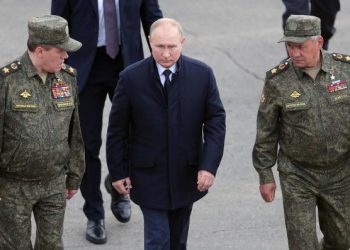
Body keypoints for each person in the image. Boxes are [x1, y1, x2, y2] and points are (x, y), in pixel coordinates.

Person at [106, 18, 226, 250]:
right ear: (150, 42)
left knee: (178, 241)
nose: (166, 54)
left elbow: (215, 122)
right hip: (147, 176)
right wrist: (118, 171)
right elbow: (117, 130)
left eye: (172, 47)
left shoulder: (202, 75)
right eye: (160, 47)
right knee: (158, 239)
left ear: (182, 42)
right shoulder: (131, 79)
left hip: (186, 174)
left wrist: (208, 166)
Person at [51, 0, 163, 244]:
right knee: (88, 144)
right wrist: (55, 69)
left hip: (127, 63)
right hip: (84, 68)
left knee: (135, 134)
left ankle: (118, 181)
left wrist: (163, 58)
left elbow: (154, 21)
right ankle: (94, 214)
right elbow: (57, 24)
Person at [253, 15, 350, 250]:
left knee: (342, 239)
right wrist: (265, 175)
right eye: (290, 46)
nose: (294, 53)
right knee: (302, 244)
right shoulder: (278, 80)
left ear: (318, 41)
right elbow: (266, 130)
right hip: (298, 174)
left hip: (341, 172)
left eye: (301, 46)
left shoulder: (345, 70)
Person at [0, 15, 85, 249]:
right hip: (13, 187)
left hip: (54, 183)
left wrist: (75, 175)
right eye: (61, 51)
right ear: (40, 51)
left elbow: (74, 130)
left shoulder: (67, 78)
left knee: (52, 245)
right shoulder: (6, 81)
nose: (66, 56)